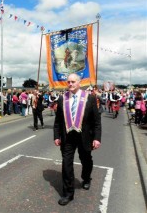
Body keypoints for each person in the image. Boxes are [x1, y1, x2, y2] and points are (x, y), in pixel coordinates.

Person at [53, 73, 101, 206]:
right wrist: (56, 136)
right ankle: (68, 194)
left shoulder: (90, 98)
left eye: (73, 82)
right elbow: (58, 121)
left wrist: (96, 138)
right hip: (68, 136)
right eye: (68, 82)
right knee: (66, 163)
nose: (70, 84)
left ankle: (86, 178)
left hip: (84, 136)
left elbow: (97, 121)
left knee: (86, 159)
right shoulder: (62, 99)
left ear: (79, 83)